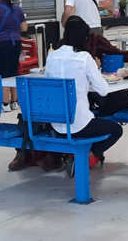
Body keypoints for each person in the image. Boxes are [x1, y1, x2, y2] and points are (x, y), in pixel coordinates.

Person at [44, 16, 123, 169]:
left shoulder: (52, 56)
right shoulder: (85, 58)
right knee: (116, 130)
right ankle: (85, 157)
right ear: (84, 38)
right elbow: (103, 91)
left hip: (56, 123)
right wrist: (96, 68)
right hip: (79, 125)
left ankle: (71, 158)